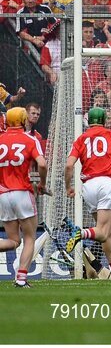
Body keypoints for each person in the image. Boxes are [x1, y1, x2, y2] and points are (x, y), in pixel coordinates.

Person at [64, 107, 111, 286]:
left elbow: (68, 166)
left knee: (105, 235)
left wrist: (68, 187)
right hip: (106, 184)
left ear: (89, 121)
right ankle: (80, 233)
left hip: (87, 187)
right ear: (104, 120)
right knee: (103, 231)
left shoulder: (81, 139)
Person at [0, 108, 47, 288]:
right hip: (22, 192)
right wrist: (41, 183)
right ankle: (21, 278)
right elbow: (42, 163)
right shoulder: (30, 139)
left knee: (13, 241)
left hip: (3, 195)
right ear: (22, 120)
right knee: (29, 238)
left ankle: (20, 278)